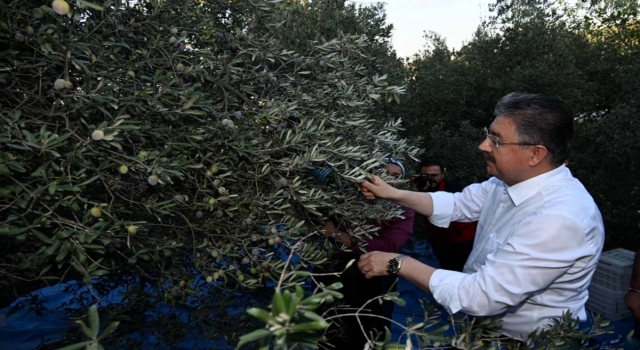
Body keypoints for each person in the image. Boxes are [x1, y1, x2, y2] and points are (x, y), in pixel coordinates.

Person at [357, 92, 605, 340]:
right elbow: (456, 204)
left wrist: (398, 263)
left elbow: (480, 297)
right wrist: (392, 193)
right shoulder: (503, 184)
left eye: (496, 140)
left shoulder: (559, 219)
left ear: (535, 154)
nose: (483, 145)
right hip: (485, 329)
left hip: (528, 342)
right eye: (489, 134)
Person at [318, 158, 414, 348]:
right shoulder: (348, 198)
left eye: (395, 176)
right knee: (329, 326)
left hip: (381, 273)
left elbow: (389, 247)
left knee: (373, 327)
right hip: (337, 269)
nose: (389, 179)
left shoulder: (405, 209)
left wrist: (341, 236)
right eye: (384, 173)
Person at [412, 157, 477, 272]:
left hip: (463, 243)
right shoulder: (419, 189)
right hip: (439, 242)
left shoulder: (457, 191)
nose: (430, 179)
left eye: (434, 175)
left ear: (443, 174)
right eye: (426, 175)